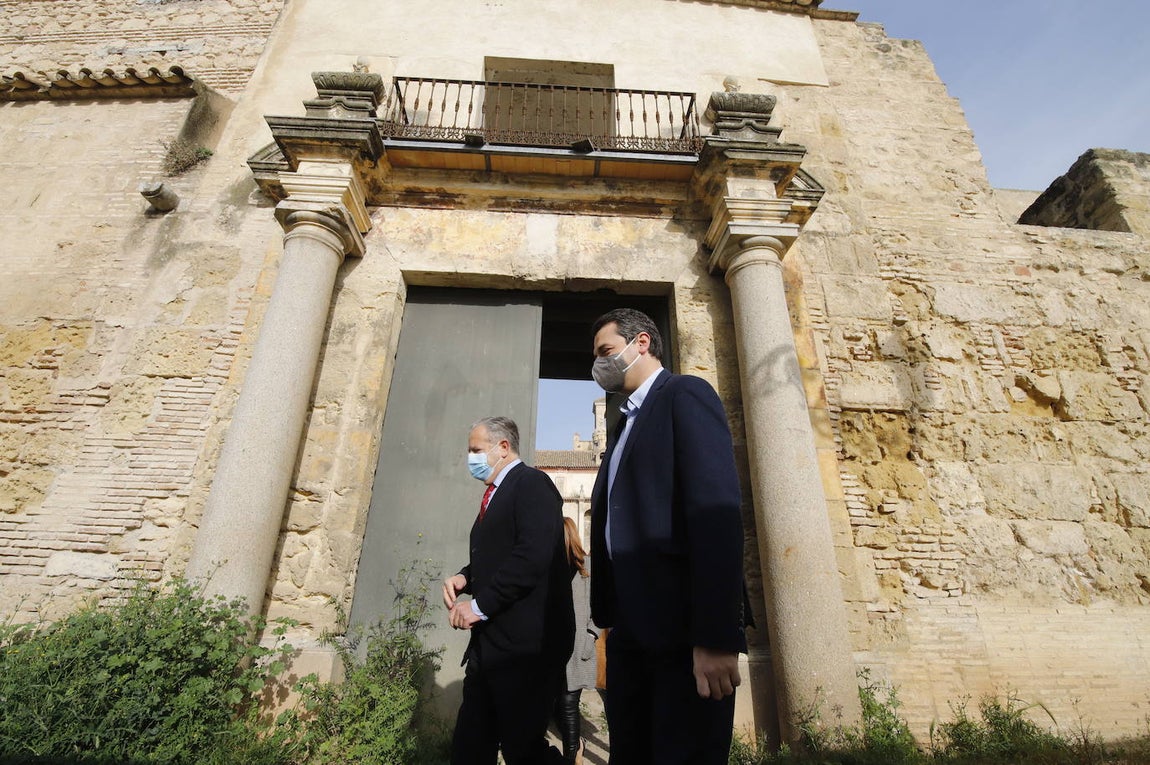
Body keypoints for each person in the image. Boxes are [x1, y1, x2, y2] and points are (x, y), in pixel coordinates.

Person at [588, 308, 749, 765]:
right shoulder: (623, 426)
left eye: (605, 351)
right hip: (630, 632)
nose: (598, 364)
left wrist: (716, 637)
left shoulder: (684, 395)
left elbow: (716, 516)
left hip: (683, 631)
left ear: (641, 343)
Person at [443, 416, 575, 765]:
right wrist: (465, 578)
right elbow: (500, 555)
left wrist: (478, 606)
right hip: (490, 644)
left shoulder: (531, 483)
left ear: (503, 447)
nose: (470, 458)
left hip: (526, 647)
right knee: (470, 744)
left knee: (523, 748)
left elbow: (532, 556)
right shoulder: (495, 494)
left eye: (476, 450)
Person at [552, 516, 599, 765]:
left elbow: (599, 610)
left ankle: (572, 757)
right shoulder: (550, 570)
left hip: (578, 650)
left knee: (569, 704)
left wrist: (590, 637)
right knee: (556, 707)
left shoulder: (587, 568)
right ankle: (577, 744)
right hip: (554, 649)